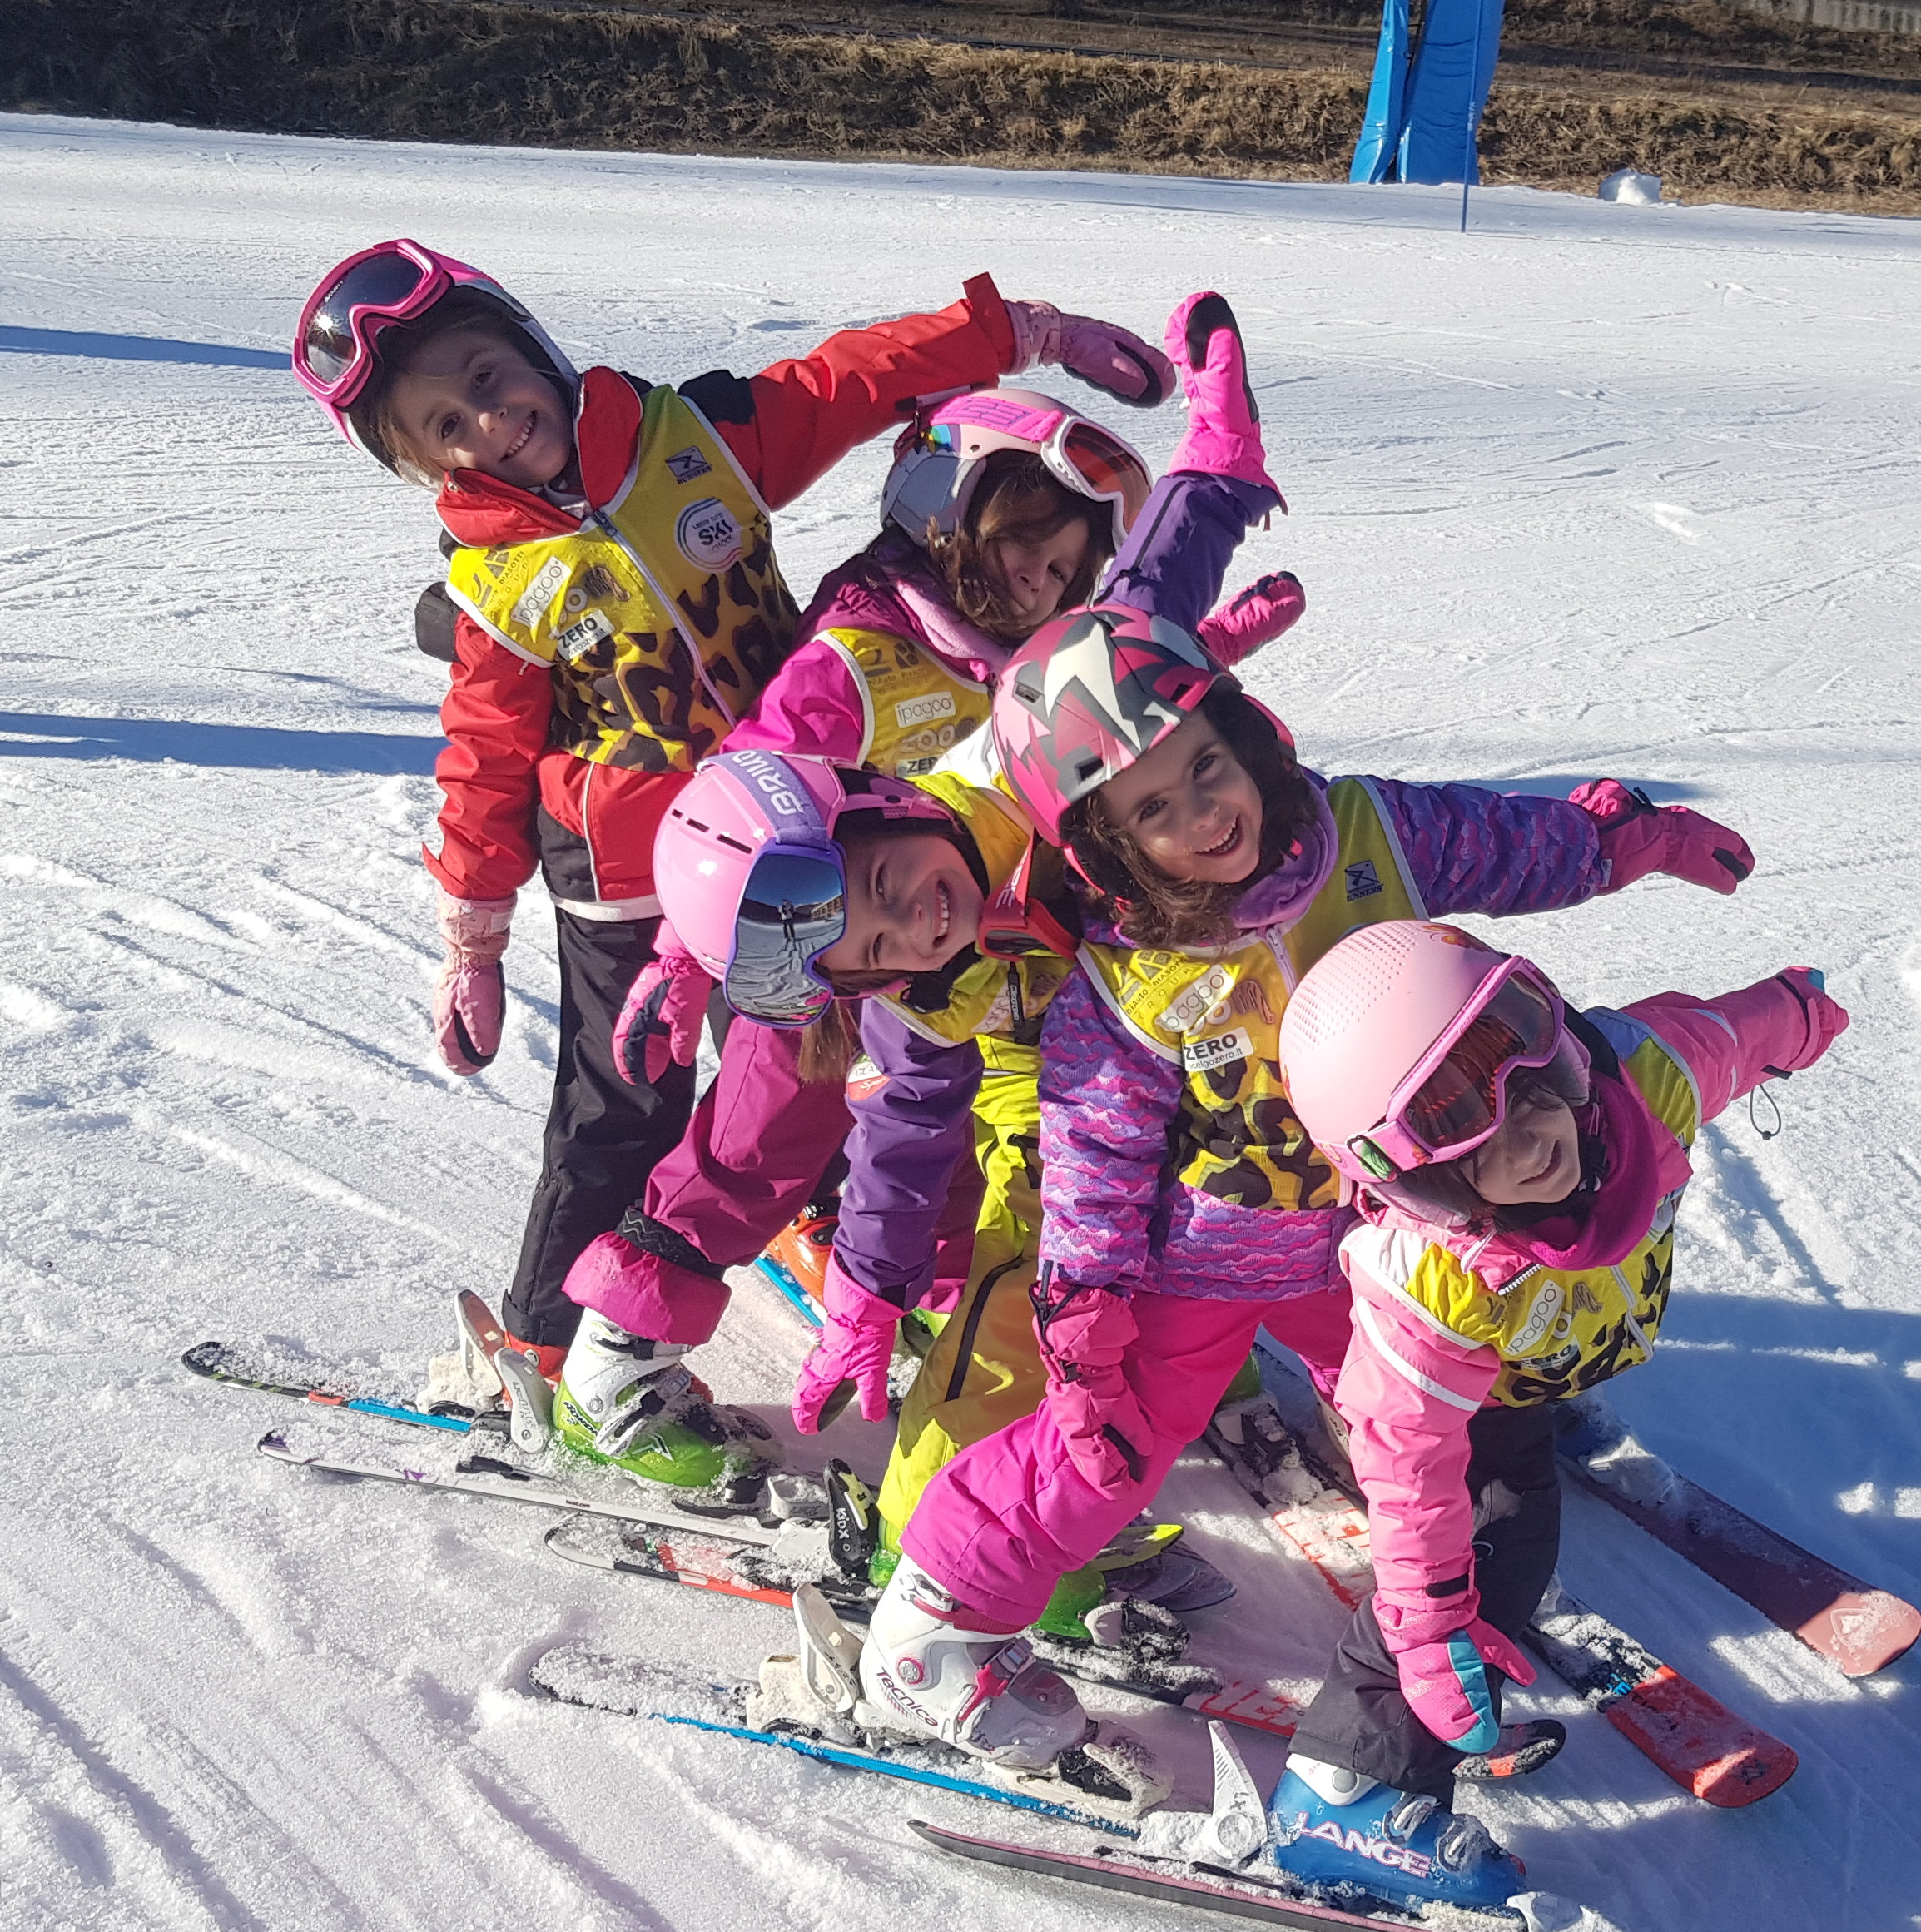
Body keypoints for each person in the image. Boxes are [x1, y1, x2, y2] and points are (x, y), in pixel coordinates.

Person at [846, 294, 1765, 1782]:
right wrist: (1083, 1308)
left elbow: (1506, 844)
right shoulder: (1128, 980)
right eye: (1153, 808)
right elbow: (1095, 1150)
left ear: (1245, 737)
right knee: (1098, 1452)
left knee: (1444, 1407)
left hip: (1389, 1223)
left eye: (1204, 766)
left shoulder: (1356, 833)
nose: (1201, 814)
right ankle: (933, 1622)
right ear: (1106, 841)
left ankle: (1447, 1591)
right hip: (1211, 1254)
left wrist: (1632, 840)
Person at [290, 241, 1170, 1461]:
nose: (493, 422)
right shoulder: (498, 582)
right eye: (450, 425)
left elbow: (851, 380)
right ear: (430, 462)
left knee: (816, 1048)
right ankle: (554, 1347)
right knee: (626, 1104)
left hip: (797, 828)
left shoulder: (690, 436)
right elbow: (484, 759)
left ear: (530, 344)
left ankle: (851, 1225)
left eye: (489, 377)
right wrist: (473, 938)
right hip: (626, 877)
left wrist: (1029, 334)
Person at [563, 369, 1303, 1519]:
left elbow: (1141, 607)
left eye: (1063, 561)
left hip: (983, 954)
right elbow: (749, 785)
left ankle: (984, 1303)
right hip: (825, 947)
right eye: (1022, 542)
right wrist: (686, 954)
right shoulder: (863, 653)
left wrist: (1211, 502)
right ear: (943, 514)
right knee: (771, 1128)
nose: (1041, 575)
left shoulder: (1031, 661)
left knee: (1037, 1130)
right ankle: (617, 1352)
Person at [1268, 919, 1846, 1911]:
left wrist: (1797, 1013)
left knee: (1535, 1388)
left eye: (1531, 1079)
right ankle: (1342, 1790)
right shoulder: (1428, 1284)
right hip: (1480, 1403)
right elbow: (1411, 1474)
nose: (1532, 1130)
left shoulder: (1645, 1079)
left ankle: (1554, 1380)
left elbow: (1731, 1035)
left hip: (1547, 1348)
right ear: (1418, 1176)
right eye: (1472, 1129)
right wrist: (1431, 1632)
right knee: (1495, 1552)